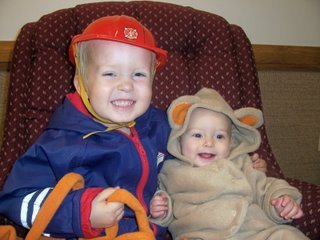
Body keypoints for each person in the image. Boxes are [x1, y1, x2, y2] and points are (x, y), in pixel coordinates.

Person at [0, 16, 266, 239]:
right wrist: (82, 213)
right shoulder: (61, 142)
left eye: (138, 74)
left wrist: (240, 163)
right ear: (81, 84)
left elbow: (199, 149)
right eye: (110, 73)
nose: (126, 85)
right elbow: (15, 199)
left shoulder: (161, 126)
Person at [150, 88, 309, 240]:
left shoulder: (241, 163)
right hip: (201, 235)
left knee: (287, 235)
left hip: (254, 232)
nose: (209, 142)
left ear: (231, 142)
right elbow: (166, 207)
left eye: (219, 136)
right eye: (198, 135)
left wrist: (280, 200)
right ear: (179, 138)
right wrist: (161, 210)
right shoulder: (170, 172)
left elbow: (265, 187)